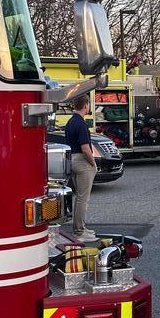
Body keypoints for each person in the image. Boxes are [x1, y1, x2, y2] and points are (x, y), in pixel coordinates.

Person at [65, 94, 97, 241]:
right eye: (88, 104)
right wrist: (93, 163)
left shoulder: (71, 122)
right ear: (85, 105)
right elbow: (85, 149)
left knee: (79, 197)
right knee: (83, 198)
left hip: (72, 159)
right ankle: (79, 231)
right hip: (82, 161)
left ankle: (80, 228)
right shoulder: (81, 123)